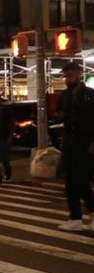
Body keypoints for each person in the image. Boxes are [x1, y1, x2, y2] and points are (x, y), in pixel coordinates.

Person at [54, 62, 94, 232]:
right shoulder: (64, 95)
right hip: (69, 143)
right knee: (70, 182)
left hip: (85, 144)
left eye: (70, 75)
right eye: (65, 76)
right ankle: (75, 217)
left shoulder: (89, 95)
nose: (67, 79)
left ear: (78, 74)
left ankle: (91, 212)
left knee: (82, 181)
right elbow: (59, 114)